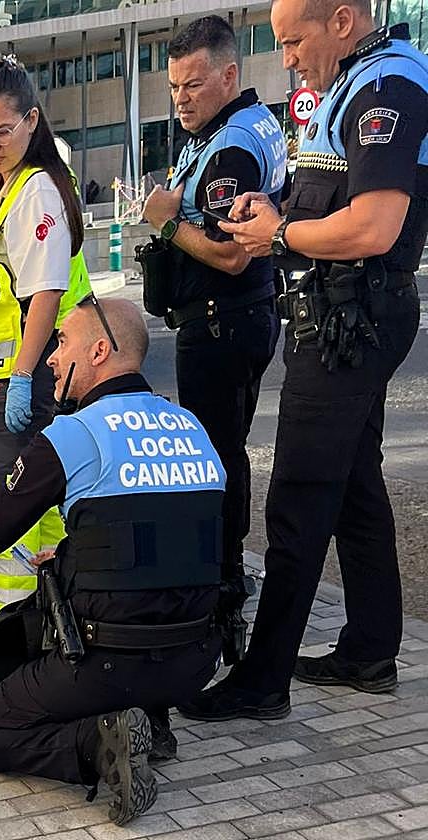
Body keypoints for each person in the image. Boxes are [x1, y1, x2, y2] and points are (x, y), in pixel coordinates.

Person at [180, 0, 427, 721]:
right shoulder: (360, 79)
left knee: (297, 496)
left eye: (293, 40)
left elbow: (376, 225)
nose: (285, 56)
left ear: (342, 19)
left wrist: (280, 231)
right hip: (345, 311)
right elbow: (331, 191)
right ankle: (371, 648)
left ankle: (263, 682)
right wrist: (278, 203)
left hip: (351, 316)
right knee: (352, 483)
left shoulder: (388, 86)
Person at [0, 297, 224, 825]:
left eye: (62, 341)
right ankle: (149, 721)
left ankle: (101, 746)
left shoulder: (76, 434)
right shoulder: (192, 427)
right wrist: (76, 552)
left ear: (100, 350)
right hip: (194, 662)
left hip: (107, 661)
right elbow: (170, 539)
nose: (49, 357)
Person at [140, 14, 285, 666]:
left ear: (229, 75)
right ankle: (224, 592)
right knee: (221, 462)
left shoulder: (233, 149)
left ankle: (224, 609)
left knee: (216, 468)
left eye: (193, 85)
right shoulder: (223, 134)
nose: (181, 99)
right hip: (222, 322)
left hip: (225, 322)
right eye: (174, 87)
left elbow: (232, 256)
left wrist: (168, 227)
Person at [0, 55, 92, 654]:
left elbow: (46, 294)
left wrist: (26, 374)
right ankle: (46, 636)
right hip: (14, 379)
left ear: (32, 121)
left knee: (9, 517)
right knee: (42, 514)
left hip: (26, 379)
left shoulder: (34, 188)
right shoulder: (10, 190)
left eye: (1, 131)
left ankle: (11, 647)